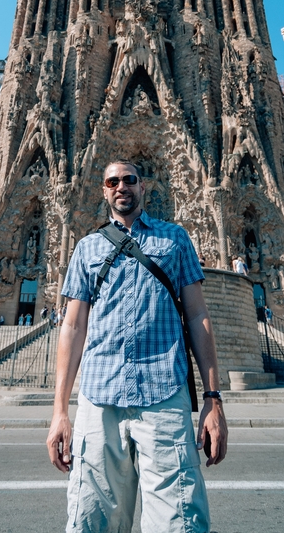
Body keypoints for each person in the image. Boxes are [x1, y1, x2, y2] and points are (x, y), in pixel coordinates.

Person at [47, 159, 228, 533]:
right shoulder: (87, 247)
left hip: (163, 394)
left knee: (178, 520)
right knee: (90, 518)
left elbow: (198, 317)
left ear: (143, 187)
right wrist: (59, 411)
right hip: (99, 397)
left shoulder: (174, 238)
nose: (121, 187)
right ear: (103, 190)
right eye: (112, 181)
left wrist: (213, 398)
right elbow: (73, 326)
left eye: (129, 180)